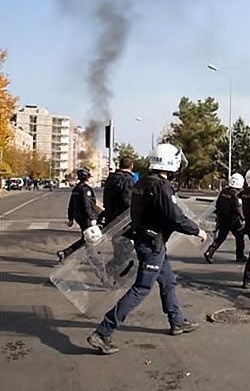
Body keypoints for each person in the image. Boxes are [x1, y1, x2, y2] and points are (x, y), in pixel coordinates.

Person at [86, 144, 207, 355]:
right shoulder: (161, 186)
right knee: (141, 288)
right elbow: (174, 216)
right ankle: (103, 331)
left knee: (168, 280)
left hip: (149, 241)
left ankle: (176, 321)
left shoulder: (142, 181)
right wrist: (197, 230)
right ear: (170, 162)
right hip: (152, 245)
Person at [203, 173, 247, 263]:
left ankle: (209, 252)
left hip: (222, 218)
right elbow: (238, 208)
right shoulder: (237, 195)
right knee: (239, 237)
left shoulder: (224, 191)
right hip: (233, 220)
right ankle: (240, 256)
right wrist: (243, 218)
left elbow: (218, 204)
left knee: (220, 237)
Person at [56, 167, 97, 262]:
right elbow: (87, 205)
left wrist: (71, 218)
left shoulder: (76, 189)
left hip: (78, 216)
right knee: (90, 237)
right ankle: (68, 253)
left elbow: (71, 205)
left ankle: (70, 253)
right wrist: (92, 217)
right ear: (87, 177)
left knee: (87, 237)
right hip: (85, 216)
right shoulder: (85, 190)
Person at [102, 157, 134, 225]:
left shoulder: (111, 178)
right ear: (132, 166)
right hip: (120, 219)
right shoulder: (127, 179)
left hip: (109, 215)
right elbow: (127, 201)